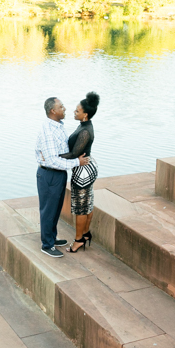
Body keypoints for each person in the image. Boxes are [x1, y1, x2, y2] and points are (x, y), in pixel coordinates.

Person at [35, 97, 89, 258]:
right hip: (49, 173)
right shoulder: (48, 131)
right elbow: (52, 160)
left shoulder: (57, 126)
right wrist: (76, 162)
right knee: (48, 210)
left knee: (56, 208)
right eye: (61, 106)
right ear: (53, 111)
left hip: (57, 173)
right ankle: (47, 244)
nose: (65, 108)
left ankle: (52, 237)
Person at [61, 92, 100, 253]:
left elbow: (73, 154)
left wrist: (53, 156)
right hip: (88, 166)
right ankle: (85, 234)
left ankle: (78, 241)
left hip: (83, 171)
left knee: (80, 207)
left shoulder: (85, 131)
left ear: (85, 114)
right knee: (87, 203)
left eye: (77, 111)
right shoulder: (85, 125)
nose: (74, 112)